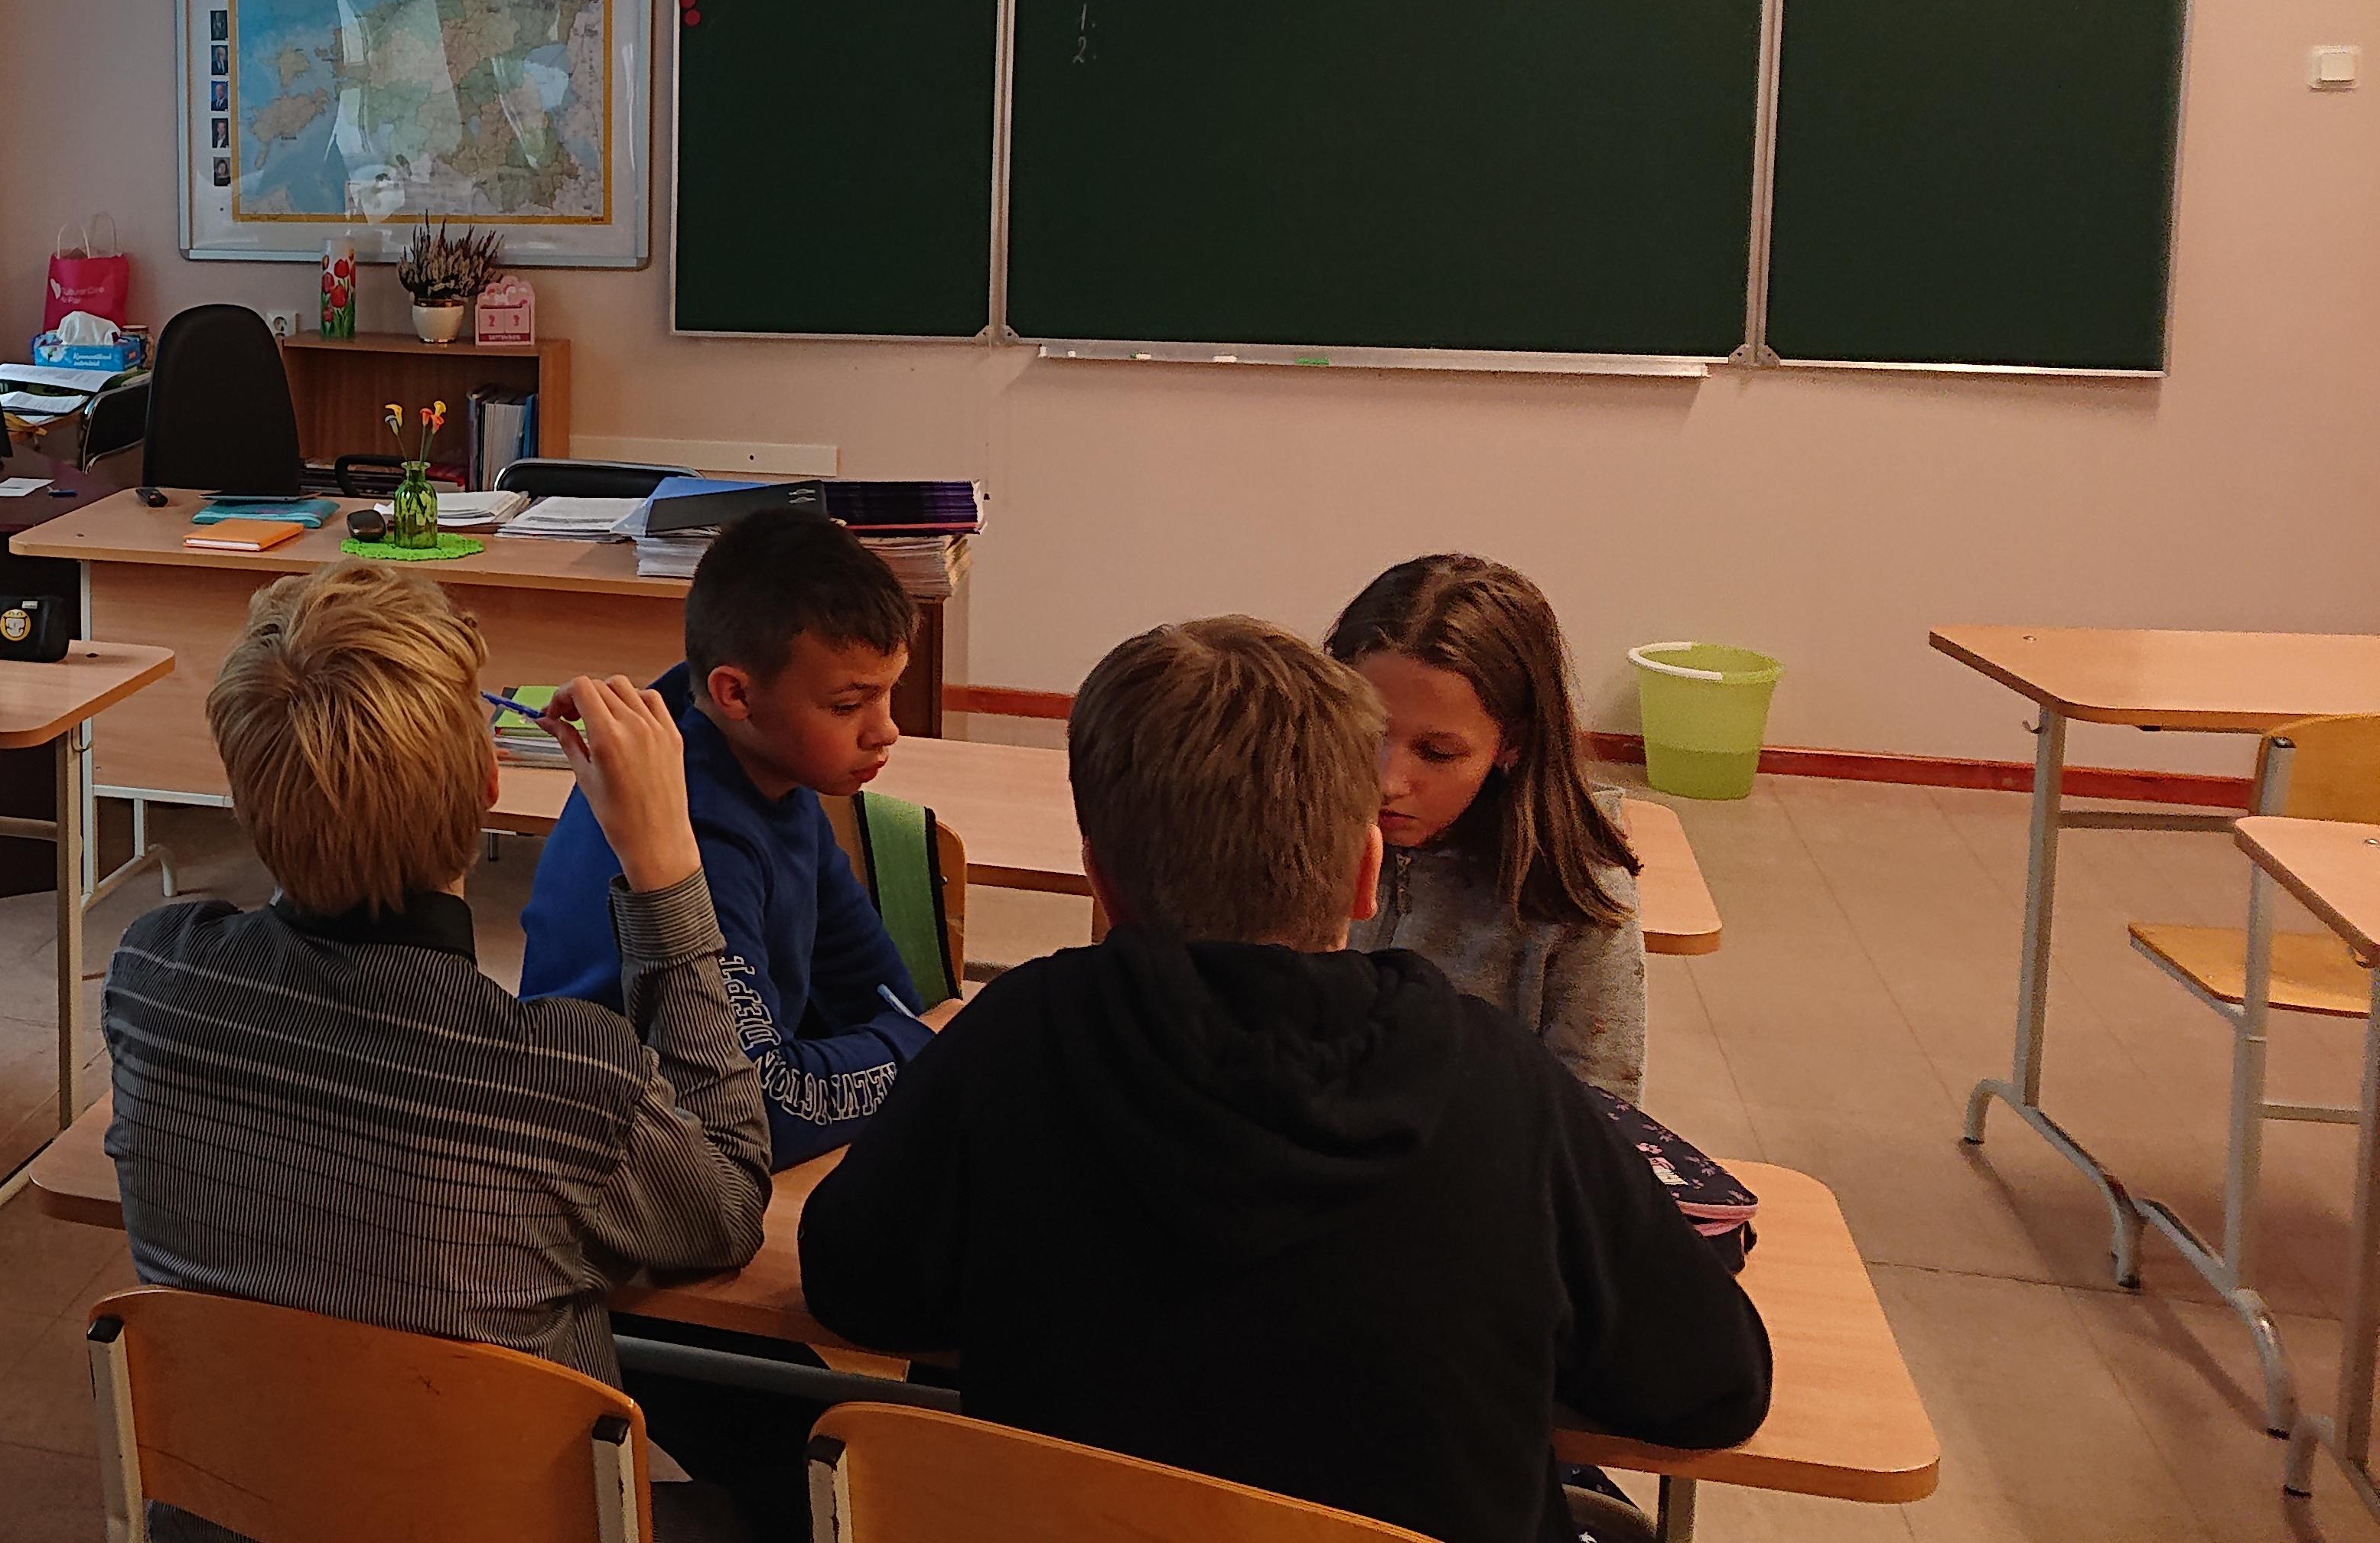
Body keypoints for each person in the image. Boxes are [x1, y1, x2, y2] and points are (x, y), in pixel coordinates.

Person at [796, 617, 1770, 1543]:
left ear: (1098, 878)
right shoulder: (1497, 1081)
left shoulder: (1016, 1037)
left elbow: (854, 1288)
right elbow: (1712, 1386)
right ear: (1363, 871)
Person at [103, 562, 765, 1519]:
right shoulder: (567, 1078)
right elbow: (727, 1209)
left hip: (234, 1517)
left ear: (243, 799)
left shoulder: (152, 979)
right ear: (490, 783)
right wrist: (666, 872)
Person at [518, 505, 936, 1164]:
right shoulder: (695, 828)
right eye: (847, 705)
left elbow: (874, 989)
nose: (886, 730)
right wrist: (918, 1050)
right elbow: (763, 1109)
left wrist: (915, 1044)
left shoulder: (767, 765)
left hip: (690, 1134)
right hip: (606, 1160)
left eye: (889, 693)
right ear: (735, 694)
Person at [1330, 552, 1649, 1100]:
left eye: (1437, 753)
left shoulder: (1576, 894)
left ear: (1512, 745)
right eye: (1365, 735)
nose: (1387, 781)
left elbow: (1602, 1115)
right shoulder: (1286, 834)